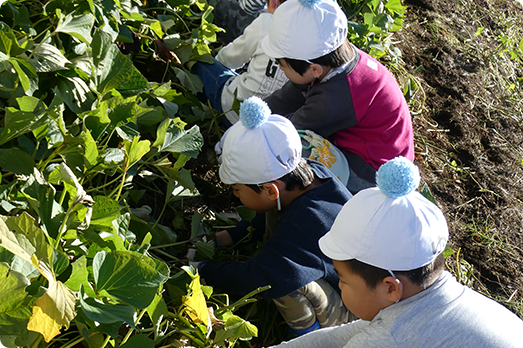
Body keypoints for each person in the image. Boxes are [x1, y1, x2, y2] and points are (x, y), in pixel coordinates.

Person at [267, 157, 523, 348]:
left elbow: (374, 337)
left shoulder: (391, 339)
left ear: (390, 287)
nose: (340, 286)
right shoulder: (437, 301)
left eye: (343, 280)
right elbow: (341, 336)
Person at [195, 96, 356, 335]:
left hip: (357, 314)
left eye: (237, 190)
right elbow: (270, 210)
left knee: (284, 282)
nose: (236, 197)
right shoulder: (312, 174)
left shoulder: (304, 224)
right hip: (351, 281)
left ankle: (307, 338)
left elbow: (258, 278)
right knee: (278, 221)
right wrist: (229, 235)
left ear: (270, 189)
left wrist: (202, 269)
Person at [261, 0, 414, 194]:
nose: (280, 68)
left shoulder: (337, 97)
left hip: (370, 175)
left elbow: (290, 129)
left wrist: (255, 133)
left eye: (282, 65)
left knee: (290, 149)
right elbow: (289, 95)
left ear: (314, 69)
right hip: (370, 152)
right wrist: (259, 112)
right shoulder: (333, 60)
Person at [194, 0, 288, 126]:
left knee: (197, 63)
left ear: (274, 2)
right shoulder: (317, 43)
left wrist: (217, 63)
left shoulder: (267, 22)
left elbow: (229, 58)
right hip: (271, 126)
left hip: (235, 111)